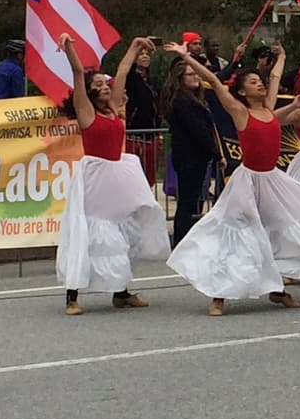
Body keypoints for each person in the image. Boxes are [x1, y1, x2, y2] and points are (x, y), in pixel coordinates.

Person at [165, 42, 300, 316]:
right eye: (253, 82)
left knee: (282, 228)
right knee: (236, 234)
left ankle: (277, 288)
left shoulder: (269, 109)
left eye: (260, 81)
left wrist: (282, 58)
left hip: (271, 180)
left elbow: (275, 85)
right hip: (247, 182)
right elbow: (214, 81)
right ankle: (219, 295)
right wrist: (186, 57)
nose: (260, 84)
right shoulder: (239, 111)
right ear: (242, 91)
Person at [56, 36, 169, 315]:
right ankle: (72, 296)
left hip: (117, 174)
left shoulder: (114, 108)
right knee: (90, 233)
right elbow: (78, 73)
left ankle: (121, 292)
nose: (105, 87)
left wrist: (135, 45)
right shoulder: (86, 112)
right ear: (90, 92)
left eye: (105, 84)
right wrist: (69, 47)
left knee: (122, 232)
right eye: (99, 85)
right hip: (96, 177)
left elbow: (122, 71)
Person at [159, 57, 219, 246]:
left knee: (192, 200)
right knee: (187, 201)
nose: (196, 77)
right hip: (189, 156)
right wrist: (216, 152)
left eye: (196, 74)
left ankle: (187, 238)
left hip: (194, 156)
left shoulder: (192, 99)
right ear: (180, 78)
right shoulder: (182, 101)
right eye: (190, 75)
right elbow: (198, 130)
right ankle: (181, 240)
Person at [124, 45, 161, 185]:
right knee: (133, 176)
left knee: (149, 176)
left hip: (152, 134)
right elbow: (125, 69)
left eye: (147, 54)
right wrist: (136, 46)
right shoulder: (130, 78)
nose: (145, 56)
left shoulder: (152, 81)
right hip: (134, 134)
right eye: (141, 54)